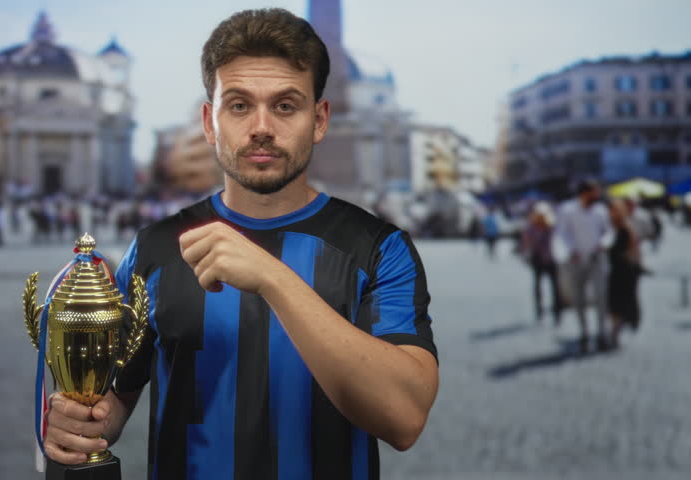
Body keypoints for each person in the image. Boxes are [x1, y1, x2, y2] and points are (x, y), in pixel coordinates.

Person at [43, 9, 438, 478]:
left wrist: (273, 278)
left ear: (320, 119)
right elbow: (115, 400)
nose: (262, 127)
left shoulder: (380, 248)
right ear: (210, 122)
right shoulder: (155, 247)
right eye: (239, 105)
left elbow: (404, 419)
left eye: (286, 105)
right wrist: (79, 424)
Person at [553, 180, 612, 353]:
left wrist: (603, 244)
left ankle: (602, 333)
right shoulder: (567, 210)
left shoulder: (600, 210)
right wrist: (571, 250)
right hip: (576, 259)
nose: (597, 195)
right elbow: (562, 233)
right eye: (594, 192)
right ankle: (584, 333)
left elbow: (608, 232)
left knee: (601, 296)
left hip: (596, 258)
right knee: (578, 298)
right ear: (584, 193)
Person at [607, 199, 642, 349]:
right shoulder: (608, 229)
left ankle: (618, 330)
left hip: (624, 271)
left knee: (624, 301)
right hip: (613, 271)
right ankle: (614, 332)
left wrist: (636, 265)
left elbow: (634, 250)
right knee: (614, 303)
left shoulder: (626, 229)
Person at [520, 201, 562, 324]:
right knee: (538, 286)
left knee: (555, 287)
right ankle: (539, 309)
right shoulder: (531, 228)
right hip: (538, 259)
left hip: (551, 259)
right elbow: (526, 243)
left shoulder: (552, 226)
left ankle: (557, 311)